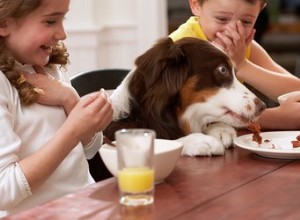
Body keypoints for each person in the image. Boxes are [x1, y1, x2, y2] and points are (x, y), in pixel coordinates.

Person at [0, 0, 113, 217]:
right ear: (4, 23)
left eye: (63, 19)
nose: (62, 34)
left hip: (83, 207)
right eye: (50, 21)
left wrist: (70, 99)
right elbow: (4, 189)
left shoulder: (47, 65)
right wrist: (72, 130)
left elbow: (90, 149)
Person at [169, 0, 300, 130]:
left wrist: (243, 65)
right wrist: (276, 118)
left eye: (246, 22)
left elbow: (296, 91)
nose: (233, 31)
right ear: (196, 5)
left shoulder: (241, 46)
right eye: (221, 19)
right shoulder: (180, 49)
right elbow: (179, 115)